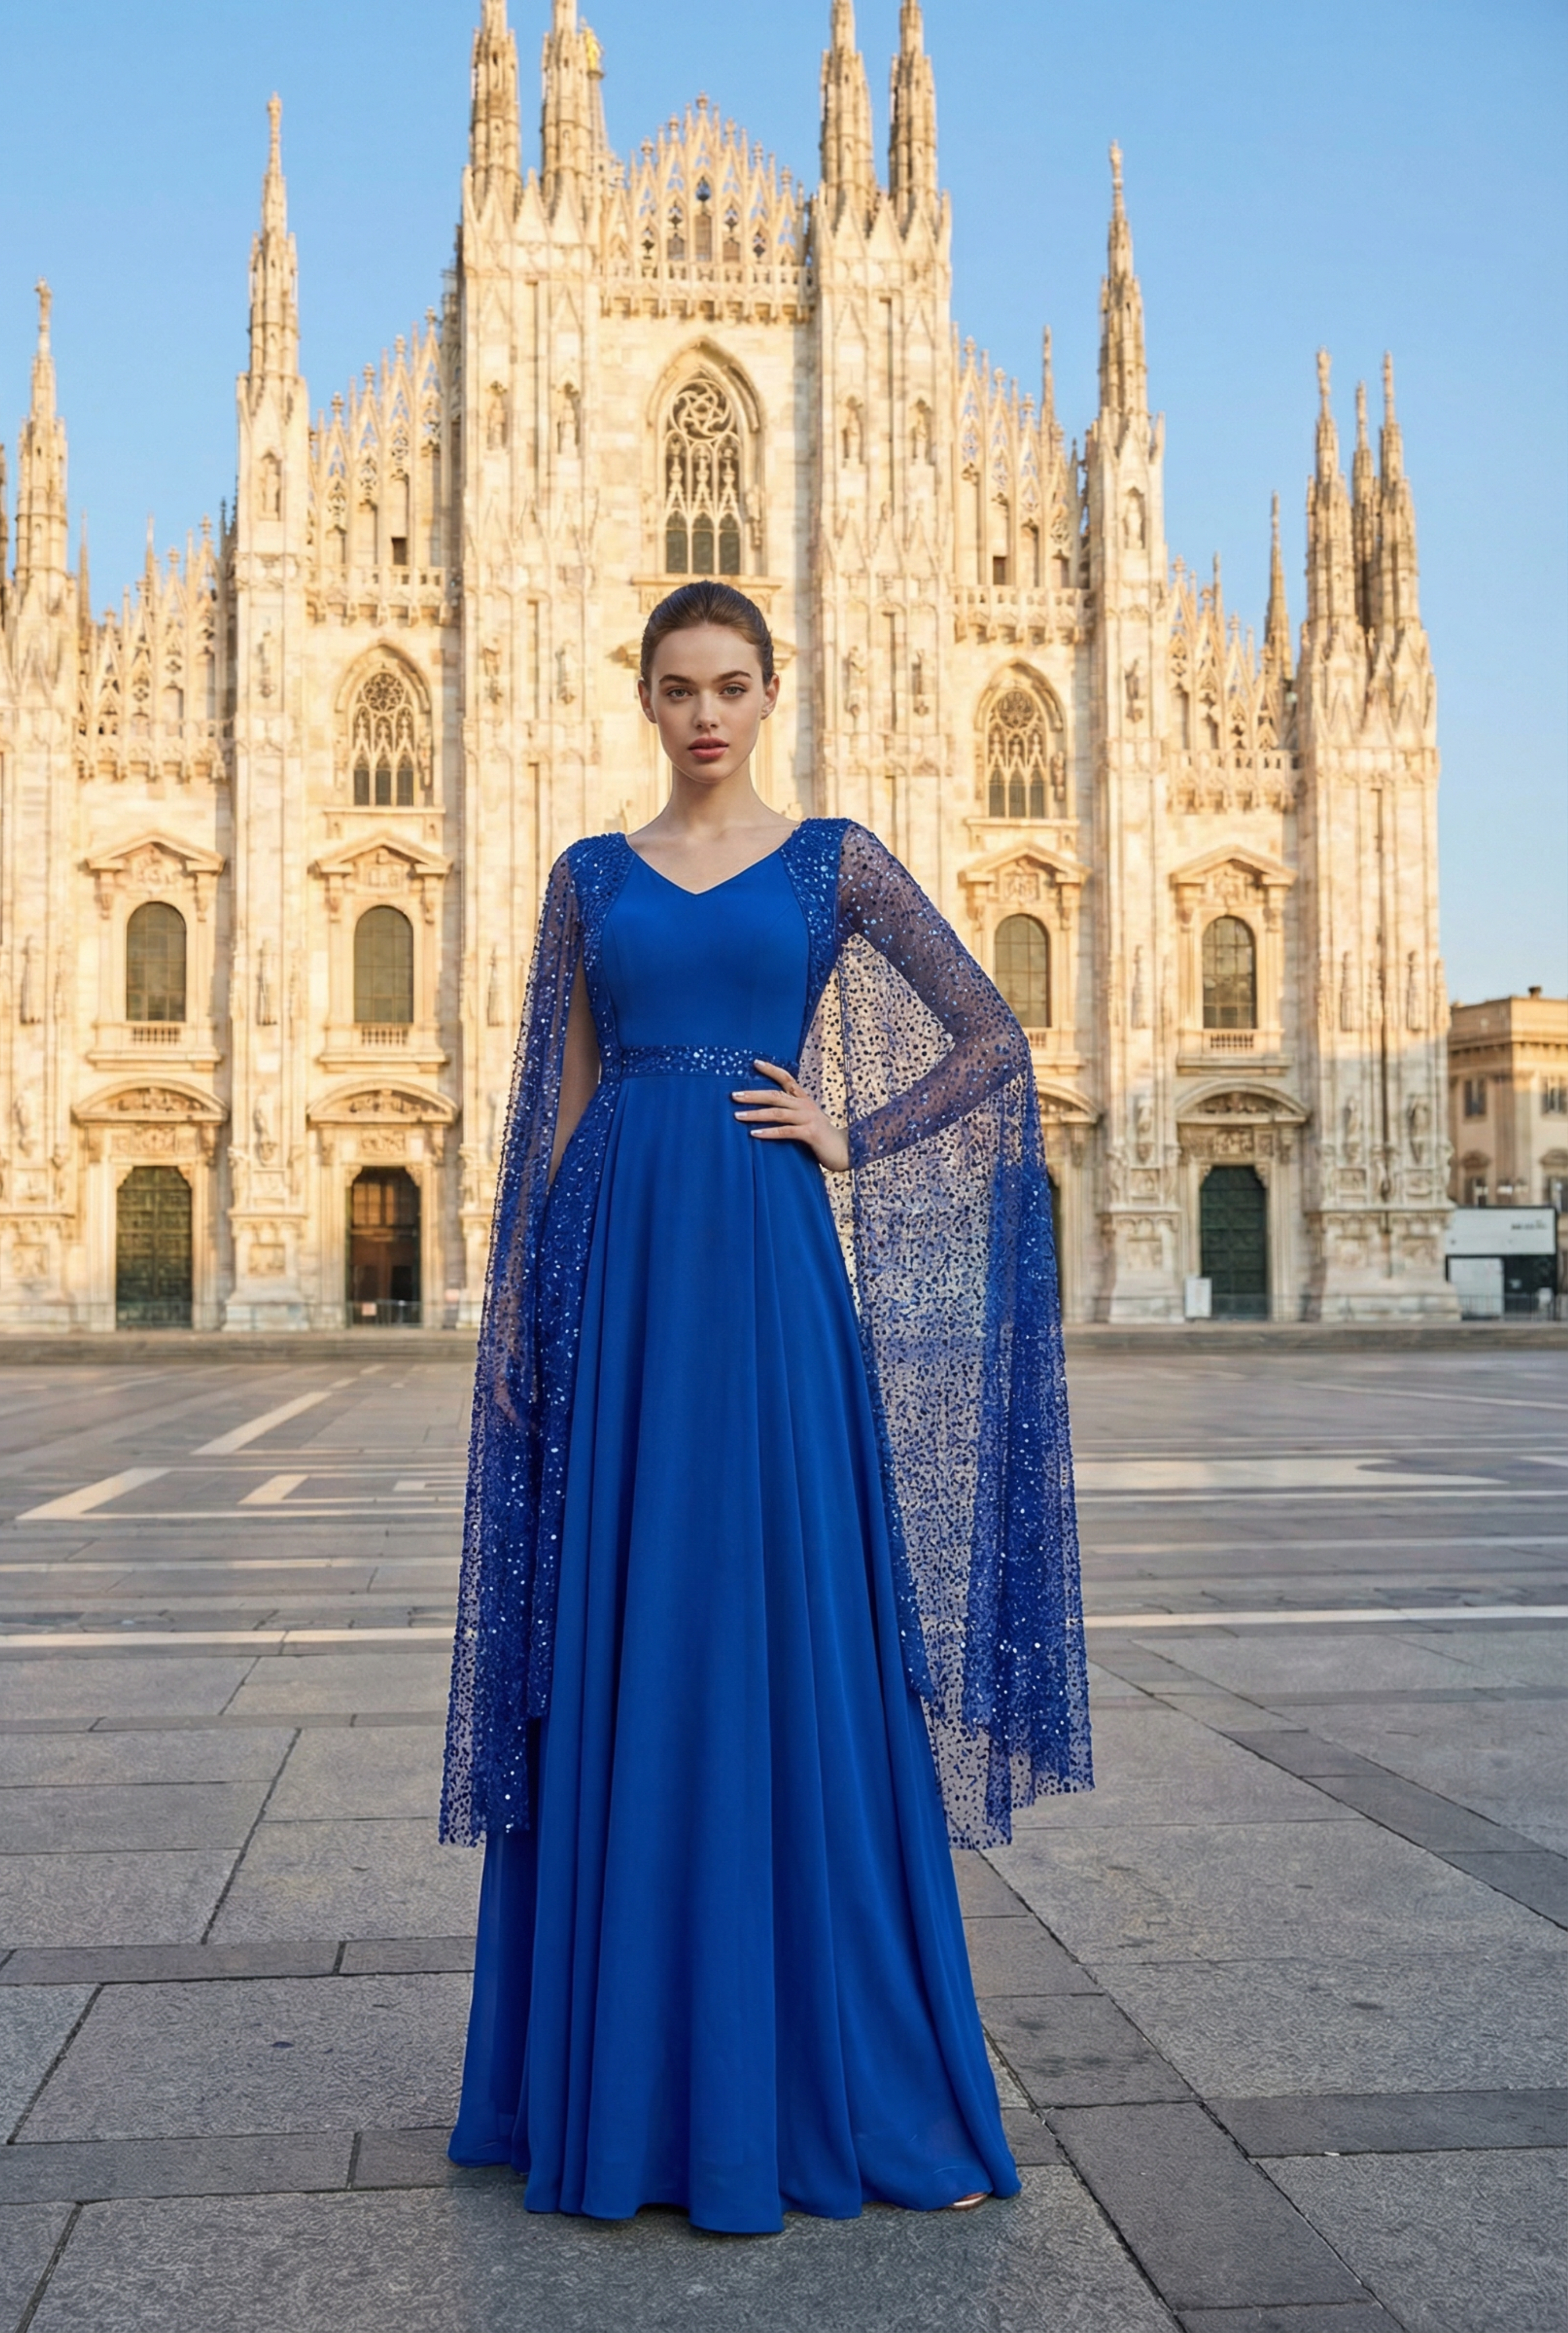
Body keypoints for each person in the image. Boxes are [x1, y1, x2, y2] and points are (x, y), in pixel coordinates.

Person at [443, 581, 1090, 2234]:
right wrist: (519, 1295)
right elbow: (558, 1098)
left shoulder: (832, 859)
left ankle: (824, 2065)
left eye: (731, 685)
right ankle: (624, 2083)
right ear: (642, 699)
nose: (706, 713)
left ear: (771, 691)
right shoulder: (587, 878)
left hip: (768, 1262)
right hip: (617, 1263)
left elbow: (988, 1036)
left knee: (792, 1621)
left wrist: (848, 1135)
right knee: (628, 1629)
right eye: (677, 688)